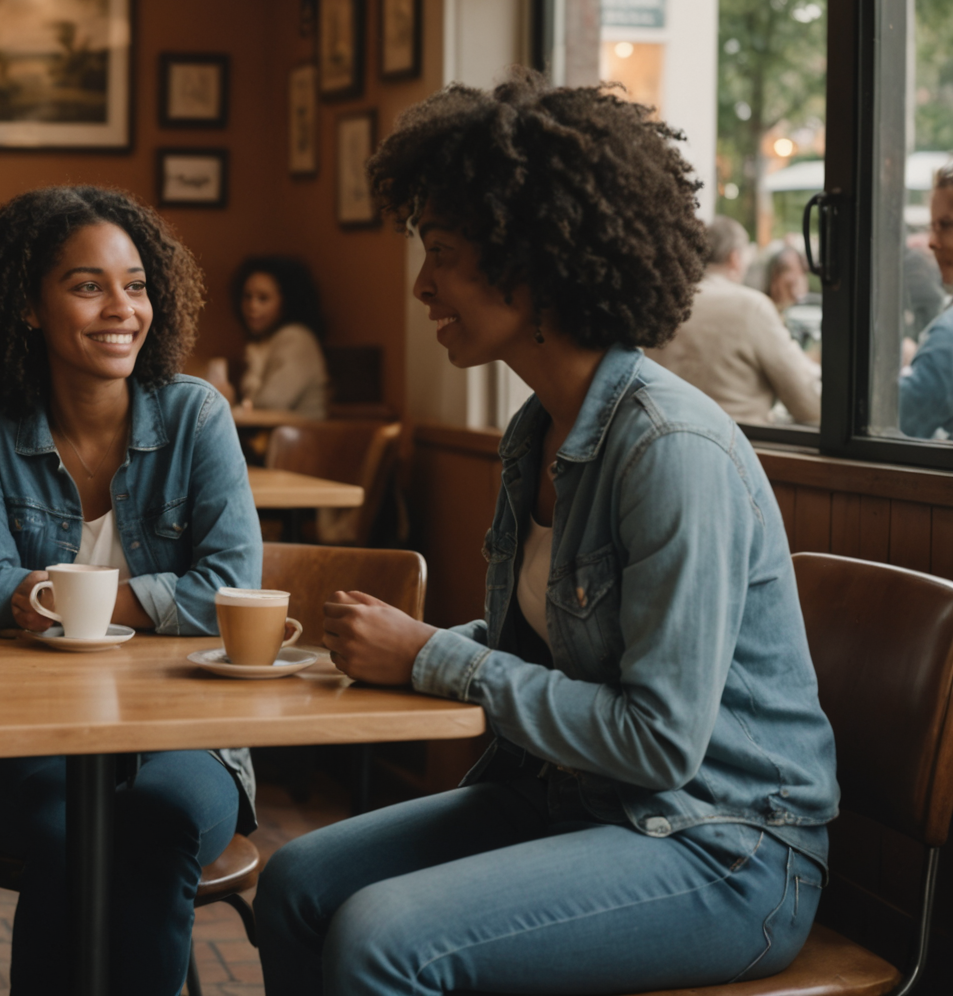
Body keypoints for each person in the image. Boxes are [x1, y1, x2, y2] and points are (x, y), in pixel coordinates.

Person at [252, 73, 837, 996]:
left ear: (532, 264)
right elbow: (563, 652)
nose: (420, 284)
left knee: (380, 938)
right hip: (578, 801)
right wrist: (414, 647)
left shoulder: (670, 449)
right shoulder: (540, 431)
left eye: (440, 253)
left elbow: (659, 742)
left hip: (726, 847)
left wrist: (431, 659)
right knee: (295, 885)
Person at [0, 185, 261, 995]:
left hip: (191, 733)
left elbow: (229, 589)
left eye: (136, 284)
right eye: (87, 286)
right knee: (71, 832)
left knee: (151, 825)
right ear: (27, 307)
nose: (121, 308)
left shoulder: (197, 417)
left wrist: (70, 600)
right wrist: (145, 598)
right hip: (31, 736)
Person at [647, 214, 820, 425]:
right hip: (741, 448)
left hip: (660, 444)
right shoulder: (752, 307)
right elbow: (810, 406)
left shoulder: (662, 306)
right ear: (735, 257)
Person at [231, 255, 329, 417]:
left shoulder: (296, 338)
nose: (252, 306)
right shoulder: (263, 343)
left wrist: (228, 404)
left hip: (301, 439)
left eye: (263, 298)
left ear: (287, 301)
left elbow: (270, 404)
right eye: (247, 297)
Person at [900, 163, 953, 438]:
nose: (932, 241)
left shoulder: (948, 337)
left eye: (945, 225)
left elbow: (895, 422)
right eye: (932, 226)